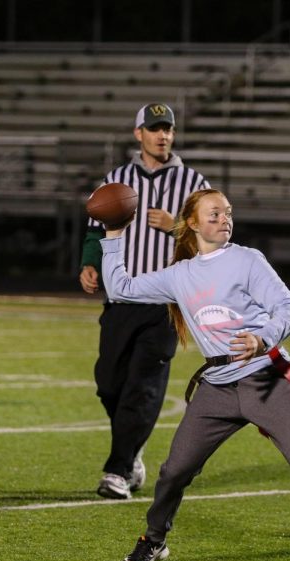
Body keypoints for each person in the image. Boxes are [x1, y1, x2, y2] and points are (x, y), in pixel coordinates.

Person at [101, 189, 290, 561]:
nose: (225, 219)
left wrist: (262, 338)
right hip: (216, 388)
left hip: (265, 379)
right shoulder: (179, 275)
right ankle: (154, 538)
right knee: (174, 471)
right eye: (215, 213)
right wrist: (112, 234)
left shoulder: (247, 260)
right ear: (192, 223)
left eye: (228, 213)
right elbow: (120, 288)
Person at [79, 103, 210, 500]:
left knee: (144, 386)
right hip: (121, 297)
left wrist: (178, 226)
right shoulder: (116, 178)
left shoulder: (193, 181)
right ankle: (132, 452)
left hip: (167, 302)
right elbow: (94, 229)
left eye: (167, 128)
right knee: (109, 385)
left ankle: (116, 471)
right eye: (154, 129)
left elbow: (213, 237)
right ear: (139, 134)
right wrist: (89, 264)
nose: (162, 135)